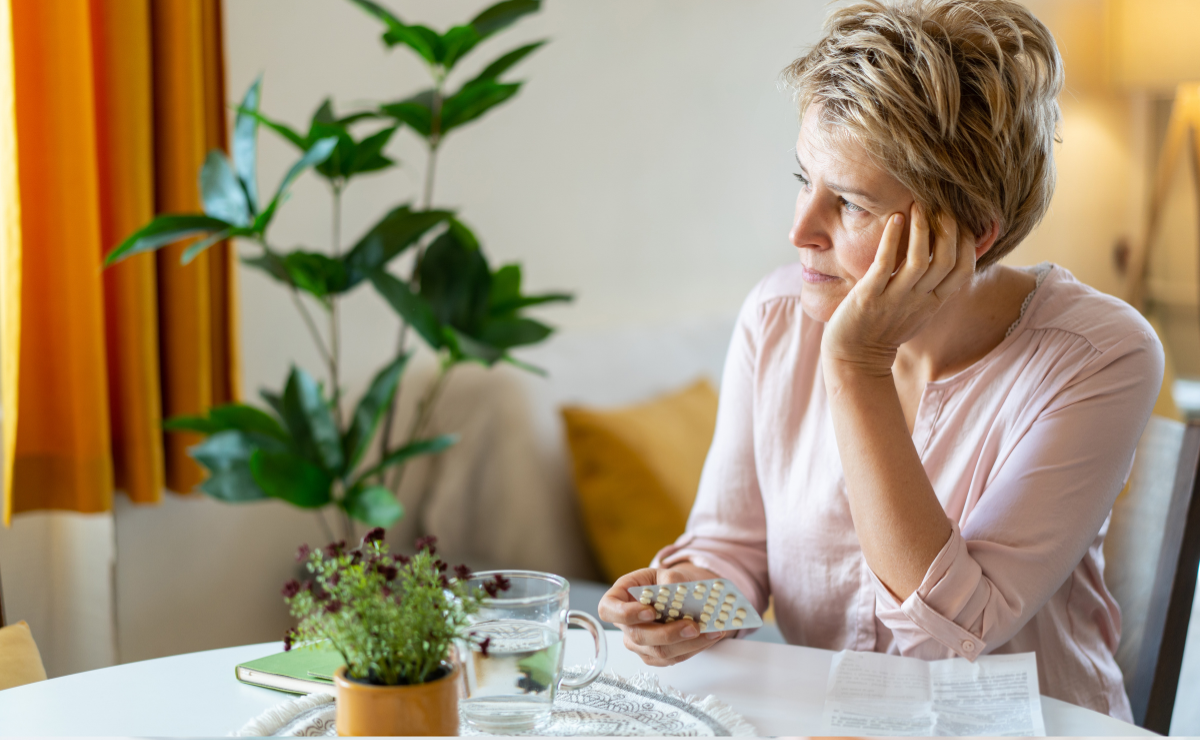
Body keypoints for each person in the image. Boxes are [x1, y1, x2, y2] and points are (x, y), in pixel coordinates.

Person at [597, 0, 1162, 721]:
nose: (800, 230)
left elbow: (955, 635)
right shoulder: (775, 319)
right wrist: (683, 601)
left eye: (852, 204)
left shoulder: (1101, 355)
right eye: (804, 179)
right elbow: (732, 547)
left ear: (970, 235)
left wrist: (856, 367)